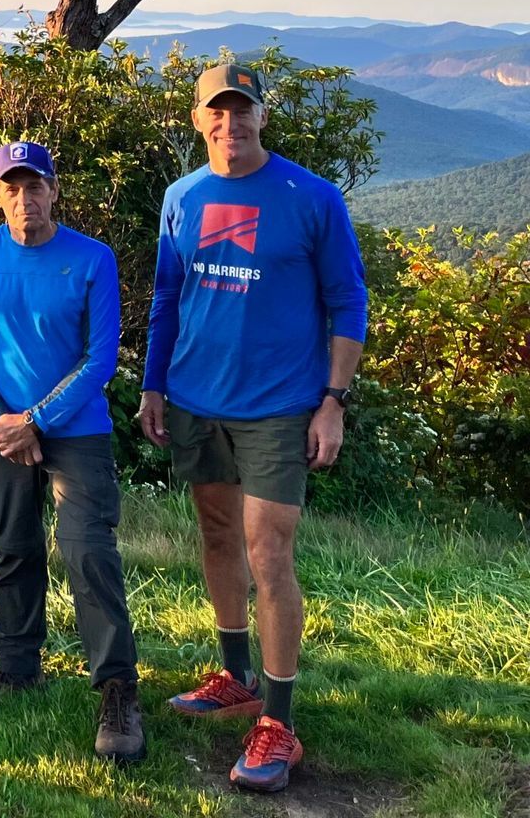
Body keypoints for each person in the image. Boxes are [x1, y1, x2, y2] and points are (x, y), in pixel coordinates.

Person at [140, 64, 368, 794]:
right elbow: (167, 299)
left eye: (242, 113)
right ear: (198, 119)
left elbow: (348, 303)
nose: (230, 125)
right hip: (195, 399)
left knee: (269, 552)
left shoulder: (311, 197)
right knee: (214, 535)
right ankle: (234, 674)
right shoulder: (182, 196)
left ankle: (279, 721)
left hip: (278, 406)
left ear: (263, 117)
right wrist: (153, 384)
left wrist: (333, 400)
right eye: (217, 113)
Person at [0, 142, 144, 763]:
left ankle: (117, 690)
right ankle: (17, 671)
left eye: (36, 186)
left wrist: (35, 419)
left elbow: (100, 358)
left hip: (76, 427)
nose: (25, 198)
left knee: (88, 551)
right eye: (13, 186)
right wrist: (2, 419)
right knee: (14, 546)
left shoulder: (93, 258)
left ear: (55, 191)